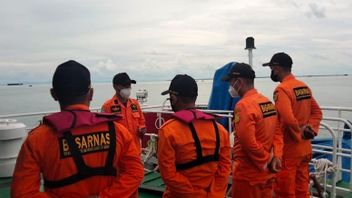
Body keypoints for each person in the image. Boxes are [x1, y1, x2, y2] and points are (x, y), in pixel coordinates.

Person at [11, 60, 144, 198]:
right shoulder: (118, 132)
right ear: (91, 94)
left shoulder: (37, 140)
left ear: (54, 94)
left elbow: (22, 193)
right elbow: (134, 172)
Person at [157, 74, 231, 198]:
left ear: (173, 98)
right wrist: (213, 194)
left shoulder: (168, 131)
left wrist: (196, 194)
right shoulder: (220, 130)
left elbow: (168, 175)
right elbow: (224, 169)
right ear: (195, 97)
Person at [263, 52, 322, 198]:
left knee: (285, 191)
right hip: (305, 149)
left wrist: (297, 134)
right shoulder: (303, 87)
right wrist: (310, 129)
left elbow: (288, 119)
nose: (271, 72)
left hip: (289, 150)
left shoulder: (281, 89)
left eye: (271, 68)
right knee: (302, 189)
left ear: (277, 68)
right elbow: (317, 112)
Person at [222, 63, 283, 198]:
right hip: (267, 174)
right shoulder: (267, 102)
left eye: (231, 82)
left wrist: (266, 160)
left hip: (248, 177)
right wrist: (276, 157)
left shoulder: (243, 106)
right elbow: (278, 133)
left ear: (239, 82)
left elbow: (247, 142)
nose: (230, 87)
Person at [101, 72, 146, 152]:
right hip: (118, 152)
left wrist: (142, 130)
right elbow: (103, 130)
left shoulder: (135, 104)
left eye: (129, 86)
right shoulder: (107, 106)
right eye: (125, 86)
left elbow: (142, 122)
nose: (128, 88)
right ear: (115, 87)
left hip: (135, 150)